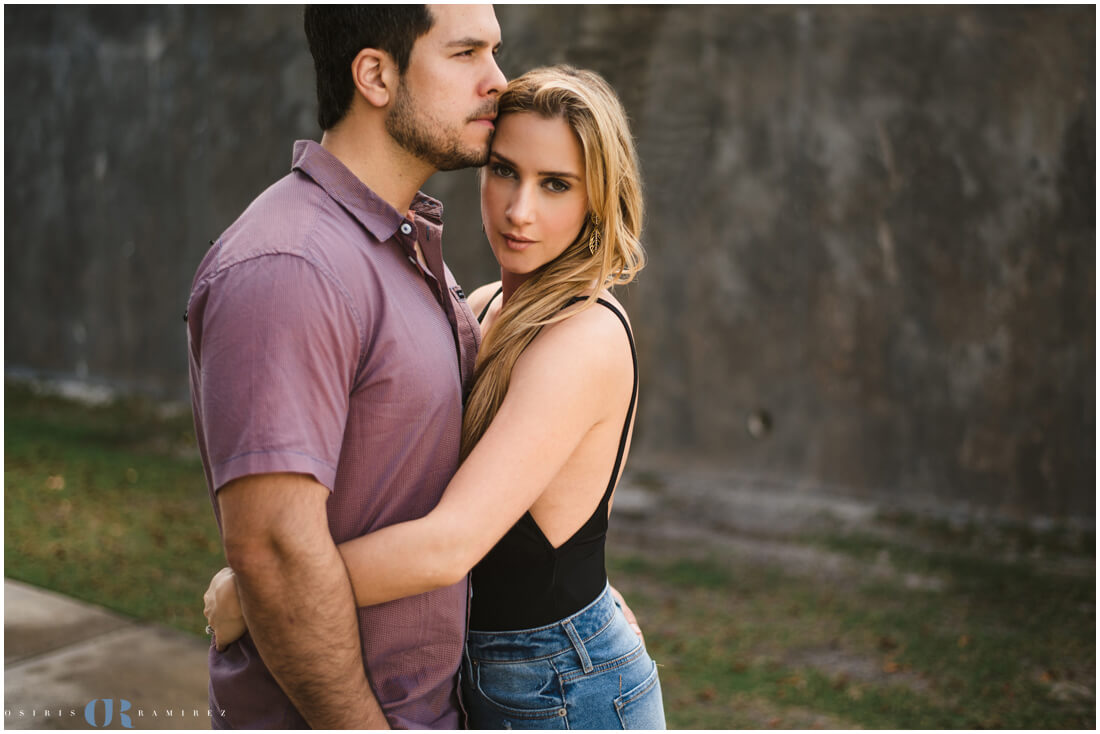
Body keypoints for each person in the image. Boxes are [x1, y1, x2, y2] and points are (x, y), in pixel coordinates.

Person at [205, 65, 667, 730]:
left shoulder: (583, 335)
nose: (519, 210)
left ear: (598, 198)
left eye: (556, 185)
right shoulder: (484, 305)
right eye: (505, 170)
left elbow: (450, 545)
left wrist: (260, 595)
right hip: (499, 669)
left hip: (562, 686)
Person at [186, 5, 506, 728]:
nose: (499, 82)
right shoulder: (292, 267)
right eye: (466, 55)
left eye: (496, 52)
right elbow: (273, 550)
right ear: (375, 75)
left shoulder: (395, 245)